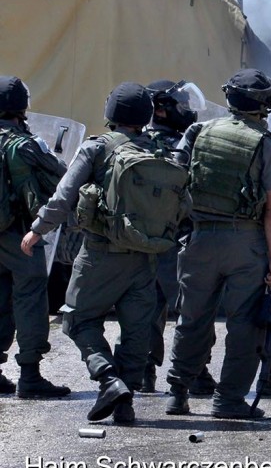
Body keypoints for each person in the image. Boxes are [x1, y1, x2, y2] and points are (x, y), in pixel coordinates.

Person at [24, 82, 175, 423]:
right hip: (146, 257)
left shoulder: (96, 148)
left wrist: (38, 230)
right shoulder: (160, 153)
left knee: (78, 319)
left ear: (110, 114)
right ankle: (126, 402)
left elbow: (64, 196)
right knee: (136, 330)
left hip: (100, 254)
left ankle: (107, 377)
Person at [165, 69, 271, 420]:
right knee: (244, 324)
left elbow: (178, 180)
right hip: (245, 242)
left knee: (192, 319)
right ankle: (229, 399)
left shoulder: (199, 132)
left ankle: (178, 393)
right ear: (265, 105)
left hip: (200, 238)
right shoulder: (265, 145)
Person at [0, 76, 70, 399]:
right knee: (29, 298)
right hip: (20, 235)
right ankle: (29, 374)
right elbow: (59, 172)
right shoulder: (24, 143)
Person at [136, 79, 205, 395]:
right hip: (178, 239)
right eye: (179, 105)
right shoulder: (185, 145)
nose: (186, 111)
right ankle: (196, 374)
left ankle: (143, 371)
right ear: (160, 110)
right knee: (192, 309)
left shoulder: (134, 142)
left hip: (139, 239)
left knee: (145, 309)